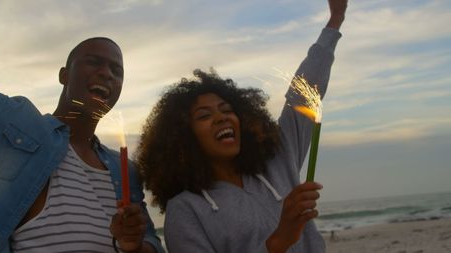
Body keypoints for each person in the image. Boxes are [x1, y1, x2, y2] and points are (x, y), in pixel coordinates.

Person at [134, 1, 347, 252]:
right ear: (183, 138)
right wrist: (278, 241)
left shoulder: (277, 158)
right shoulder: (185, 210)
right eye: (204, 116)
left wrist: (335, 21)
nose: (222, 118)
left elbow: (304, 95)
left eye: (227, 110)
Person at [0, 37, 164, 252]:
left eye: (117, 71)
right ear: (64, 75)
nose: (107, 73)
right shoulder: (10, 122)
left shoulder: (125, 169)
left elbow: (152, 243)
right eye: (93, 61)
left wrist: (134, 246)